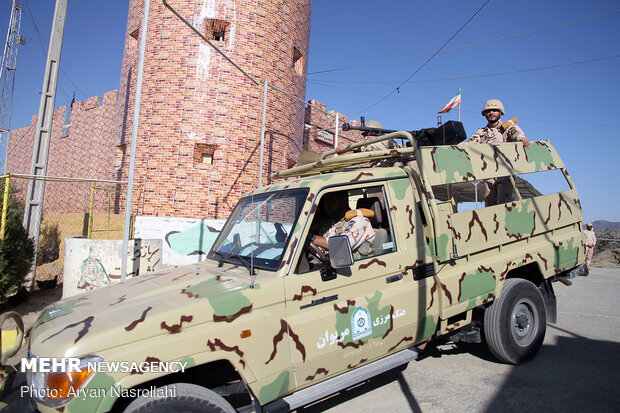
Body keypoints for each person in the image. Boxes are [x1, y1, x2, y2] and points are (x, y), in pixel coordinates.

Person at [465, 99, 531, 206]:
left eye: (494, 110)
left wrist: (521, 138)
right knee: (490, 206)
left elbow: (516, 133)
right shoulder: (481, 132)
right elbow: (470, 143)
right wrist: (456, 148)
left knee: (504, 205)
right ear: (484, 114)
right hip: (488, 175)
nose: (491, 113)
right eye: (488, 111)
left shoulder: (506, 127)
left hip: (505, 175)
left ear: (500, 112)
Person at [310, 191, 375, 259]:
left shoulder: (360, 221)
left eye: (331, 200)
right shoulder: (331, 224)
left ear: (344, 200)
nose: (327, 205)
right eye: (325, 201)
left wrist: (311, 238)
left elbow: (339, 245)